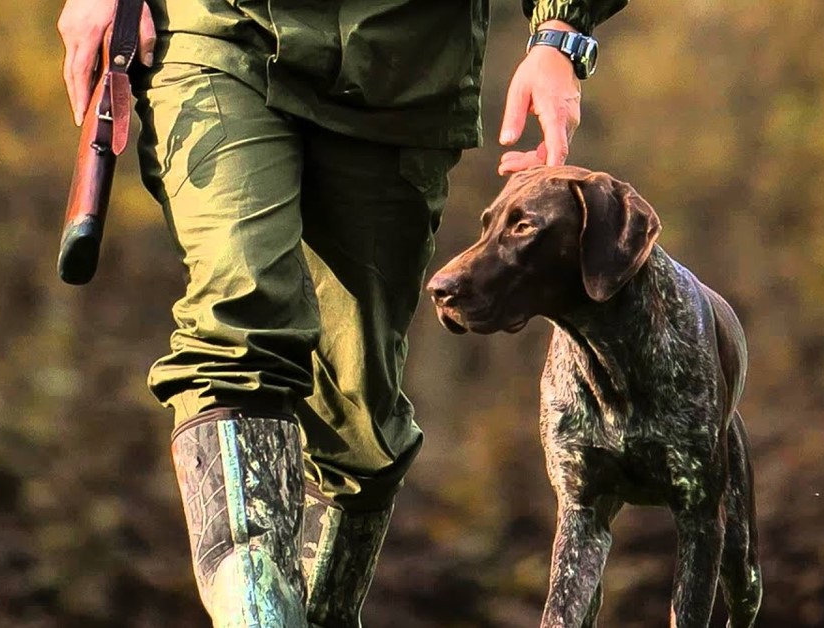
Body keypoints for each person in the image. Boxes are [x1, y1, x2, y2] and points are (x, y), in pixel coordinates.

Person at [56, 0, 626, 624]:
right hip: (218, 33)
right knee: (241, 301)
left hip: (402, 71)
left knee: (359, 412)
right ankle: (256, 607)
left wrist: (560, 35)